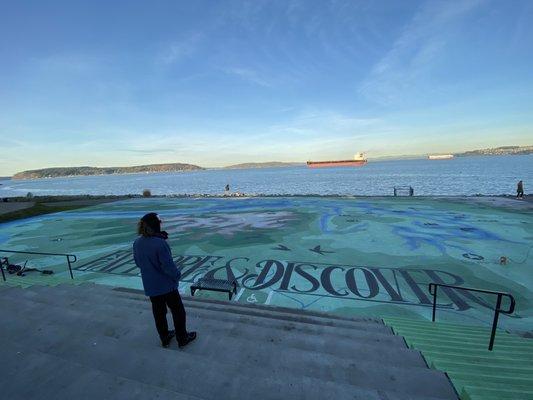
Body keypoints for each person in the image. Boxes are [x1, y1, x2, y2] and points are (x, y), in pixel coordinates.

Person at [133, 212, 196, 348]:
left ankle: (165, 337)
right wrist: (177, 275)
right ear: (157, 226)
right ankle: (182, 338)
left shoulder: (137, 242)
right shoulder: (160, 243)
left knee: (159, 313)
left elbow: (138, 263)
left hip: (151, 286)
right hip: (167, 286)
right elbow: (168, 266)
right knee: (178, 311)